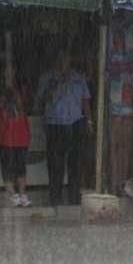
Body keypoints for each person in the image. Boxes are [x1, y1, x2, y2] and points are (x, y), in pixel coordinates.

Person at [35, 54, 93, 207]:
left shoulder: (78, 78)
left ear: (70, 60)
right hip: (55, 124)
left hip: (75, 123)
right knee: (55, 163)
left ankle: (74, 197)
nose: (63, 62)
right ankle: (55, 198)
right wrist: (55, 85)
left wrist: (89, 120)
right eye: (60, 59)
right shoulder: (47, 78)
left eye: (66, 59)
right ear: (56, 61)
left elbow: (85, 100)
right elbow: (40, 100)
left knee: (75, 162)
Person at [0, 62, 32, 207]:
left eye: (11, 73)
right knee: (7, 166)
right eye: (7, 73)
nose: (9, 76)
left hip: (20, 134)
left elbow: (22, 105)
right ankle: (12, 195)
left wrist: (13, 89)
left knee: (20, 166)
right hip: (6, 135)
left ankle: (23, 194)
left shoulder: (22, 88)